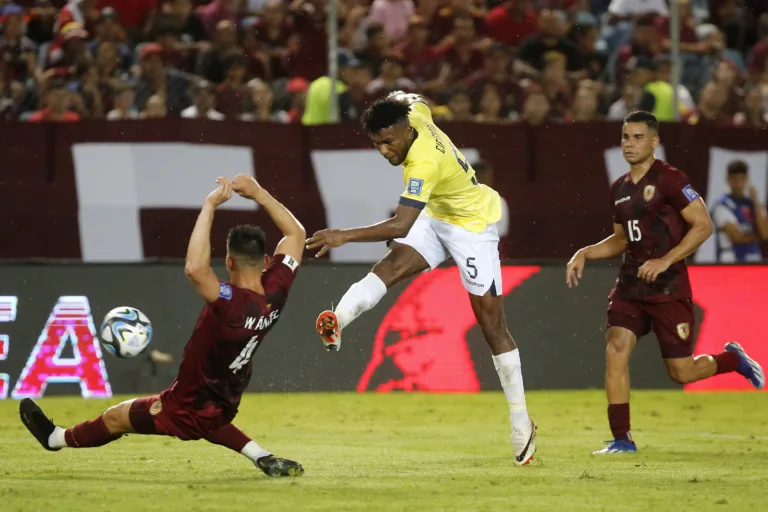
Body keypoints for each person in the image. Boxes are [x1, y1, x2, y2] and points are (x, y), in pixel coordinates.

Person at [19, 174, 307, 478]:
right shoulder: (277, 288)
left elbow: (195, 269)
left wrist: (210, 205)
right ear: (265, 260)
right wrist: (260, 193)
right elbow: (297, 234)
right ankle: (263, 458)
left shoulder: (230, 303)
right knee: (210, 419)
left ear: (229, 262)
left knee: (117, 417)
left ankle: (55, 439)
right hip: (228, 392)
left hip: (187, 401)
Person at [305, 91, 537, 466]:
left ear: (407, 132)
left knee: (492, 326)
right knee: (390, 266)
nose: (384, 150)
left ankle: (521, 421)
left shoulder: (423, 163)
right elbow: (413, 96)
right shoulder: (415, 113)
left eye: (389, 141)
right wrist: (399, 97)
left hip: (472, 227)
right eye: (377, 143)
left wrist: (342, 235)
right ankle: (338, 320)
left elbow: (399, 224)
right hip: (438, 215)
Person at [565, 111, 765, 455]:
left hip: (668, 288)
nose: (630, 143)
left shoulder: (671, 179)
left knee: (681, 373)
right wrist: (584, 252)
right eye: (626, 137)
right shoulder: (620, 188)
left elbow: (702, 225)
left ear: (654, 141)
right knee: (615, 351)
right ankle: (622, 439)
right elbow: (619, 240)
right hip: (630, 285)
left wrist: (666, 260)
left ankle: (732, 359)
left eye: (638, 137)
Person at [711, 160, 768, 263]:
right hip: (731, 260)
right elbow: (738, 238)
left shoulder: (754, 204)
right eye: (735, 180)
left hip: (754, 259)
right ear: (728, 179)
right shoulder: (722, 205)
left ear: (747, 179)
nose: (739, 184)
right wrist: (759, 236)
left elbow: (765, 233)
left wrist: (755, 202)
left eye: (742, 179)